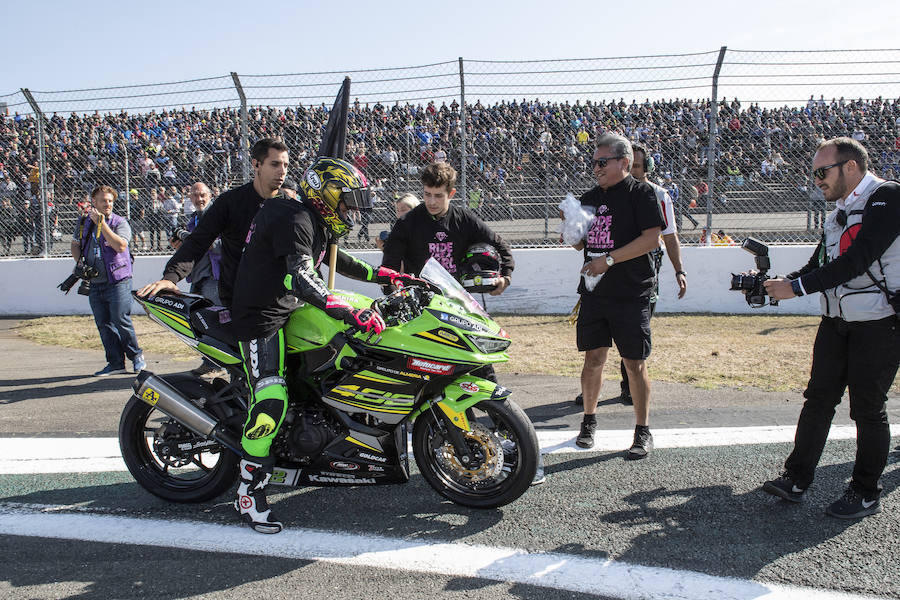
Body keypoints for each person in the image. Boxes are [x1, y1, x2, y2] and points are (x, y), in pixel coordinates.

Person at [230, 157, 423, 533]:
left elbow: (337, 260)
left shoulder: (313, 220)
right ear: (328, 195)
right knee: (271, 397)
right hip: (262, 317)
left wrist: (390, 275)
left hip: (291, 311)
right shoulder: (294, 217)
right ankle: (248, 491)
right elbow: (301, 277)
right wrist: (352, 313)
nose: (352, 210)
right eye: (348, 201)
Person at [380, 163, 547, 484]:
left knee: (484, 375)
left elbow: (500, 245)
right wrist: (392, 287)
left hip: (460, 310)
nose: (431, 201)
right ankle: (462, 449)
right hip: (422, 315)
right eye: (427, 195)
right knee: (434, 381)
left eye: (438, 196)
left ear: (451, 194)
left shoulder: (463, 219)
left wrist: (505, 276)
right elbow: (389, 267)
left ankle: (514, 449)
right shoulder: (408, 223)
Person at [761, 137, 900, 519]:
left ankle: (866, 491)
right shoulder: (838, 210)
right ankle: (796, 477)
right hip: (836, 321)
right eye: (814, 173)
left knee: (868, 410)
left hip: (879, 324)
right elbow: (819, 261)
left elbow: (859, 259)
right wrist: (780, 283)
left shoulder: (887, 197)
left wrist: (798, 287)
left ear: (851, 167)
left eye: (822, 172)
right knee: (818, 400)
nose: (816, 179)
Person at [572, 133, 664, 459]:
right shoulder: (589, 197)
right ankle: (588, 421)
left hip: (630, 292)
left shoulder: (642, 194)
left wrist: (608, 260)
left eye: (602, 162)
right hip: (595, 294)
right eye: (593, 162)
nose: (595, 167)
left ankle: (642, 430)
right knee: (593, 359)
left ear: (623, 163)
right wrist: (571, 232)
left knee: (634, 363)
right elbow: (581, 244)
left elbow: (653, 239)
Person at [138, 138, 289, 307]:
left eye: (285, 165)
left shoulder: (291, 208)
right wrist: (171, 278)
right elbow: (198, 240)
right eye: (275, 164)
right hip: (239, 301)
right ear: (256, 164)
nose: (282, 171)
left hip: (280, 302)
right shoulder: (230, 202)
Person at [617, 145, 687, 404]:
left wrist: (679, 270)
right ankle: (593, 384)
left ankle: (629, 385)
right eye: (629, 165)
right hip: (615, 268)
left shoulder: (659, 194)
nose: (631, 170)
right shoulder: (614, 192)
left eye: (636, 166)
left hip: (645, 270)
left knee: (635, 326)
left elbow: (669, 235)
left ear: (648, 168)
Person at [70, 185, 145, 376]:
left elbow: (120, 246)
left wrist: (102, 225)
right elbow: (75, 244)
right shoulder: (84, 222)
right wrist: (81, 263)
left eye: (110, 201)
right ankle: (115, 362)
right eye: (103, 200)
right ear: (93, 202)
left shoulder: (120, 222)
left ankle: (136, 356)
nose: (107, 204)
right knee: (103, 323)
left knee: (121, 319)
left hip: (118, 280)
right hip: (95, 282)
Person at [172, 181, 225, 377]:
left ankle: (217, 364)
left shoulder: (219, 215)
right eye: (195, 195)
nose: (199, 199)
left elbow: (226, 243)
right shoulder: (193, 220)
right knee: (202, 322)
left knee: (217, 321)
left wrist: (199, 240)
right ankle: (210, 361)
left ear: (210, 195)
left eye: (202, 195)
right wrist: (182, 244)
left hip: (217, 278)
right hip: (199, 278)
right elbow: (194, 249)